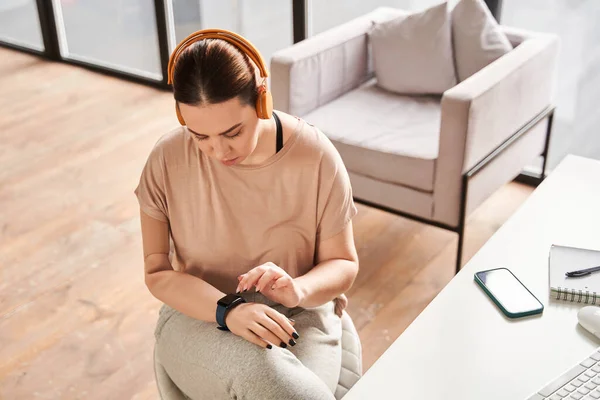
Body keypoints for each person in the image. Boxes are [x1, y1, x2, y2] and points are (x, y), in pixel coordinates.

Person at [134, 29, 360, 400]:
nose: (218, 151)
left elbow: (343, 263)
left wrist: (298, 288)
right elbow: (158, 272)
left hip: (298, 315)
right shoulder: (167, 158)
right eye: (199, 137)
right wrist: (229, 310)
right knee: (269, 379)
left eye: (232, 132)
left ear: (261, 101)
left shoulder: (316, 156)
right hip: (201, 314)